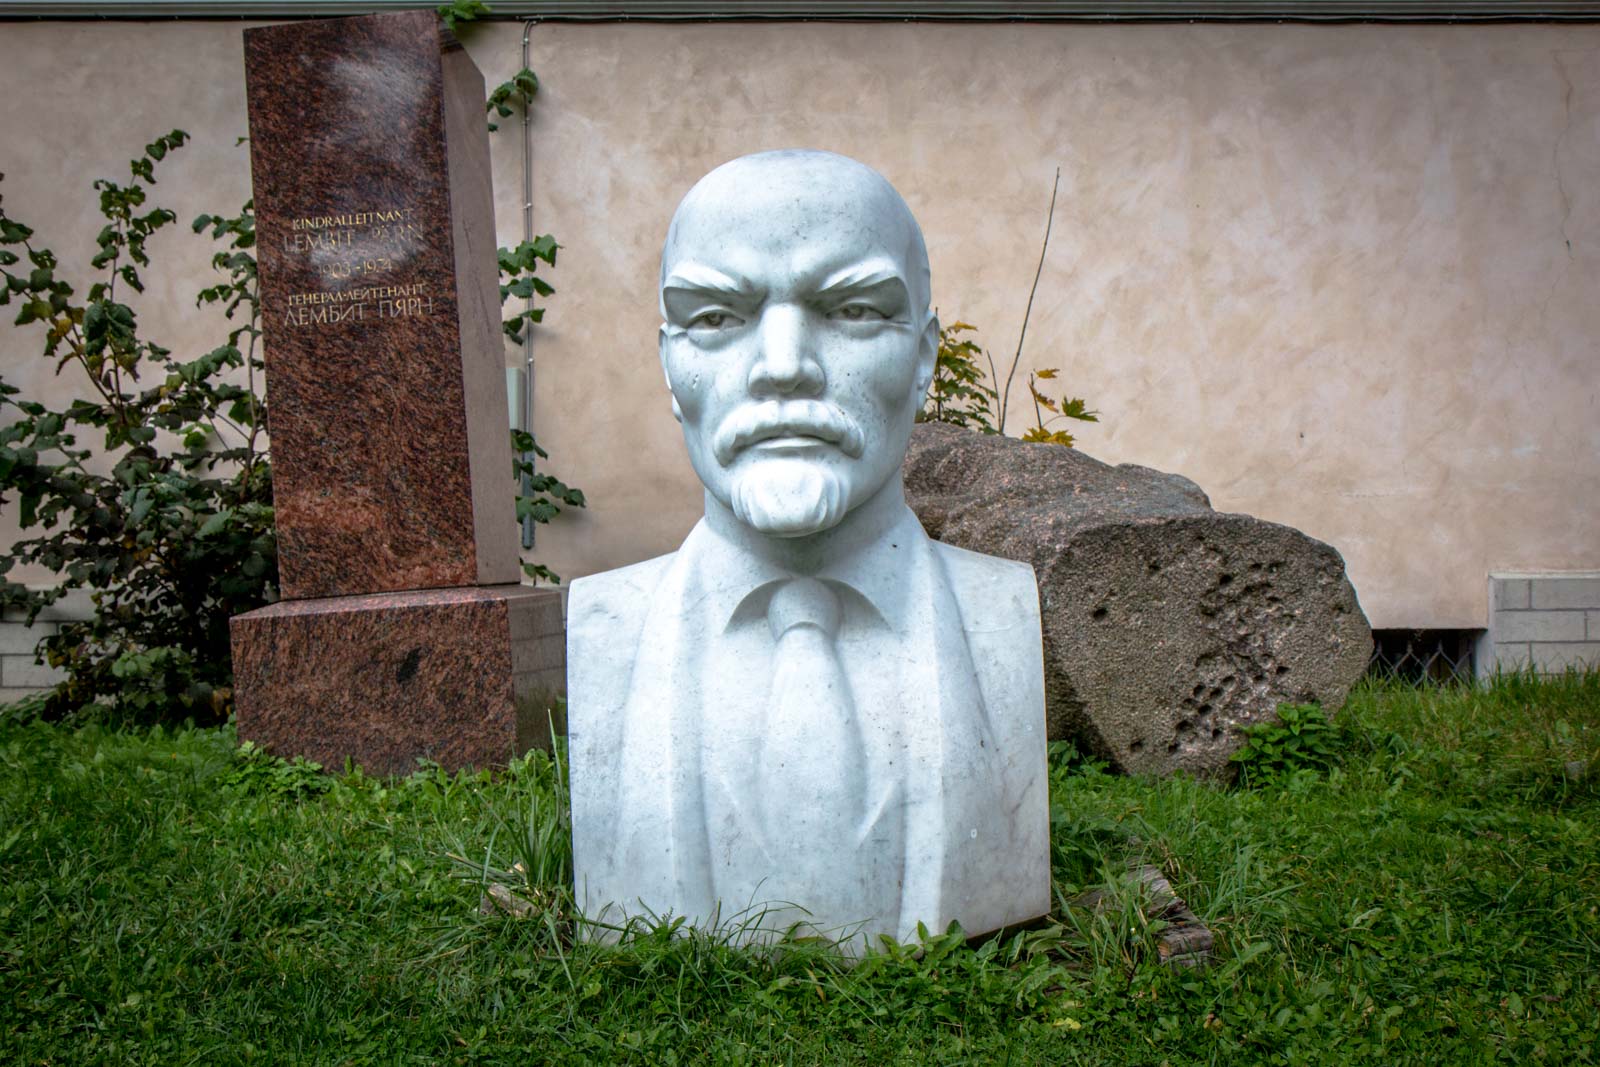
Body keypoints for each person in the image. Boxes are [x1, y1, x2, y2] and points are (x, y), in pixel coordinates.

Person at [567, 150, 1048, 952]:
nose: (784, 366)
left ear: (924, 356)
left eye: (853, 309)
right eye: (717, 317)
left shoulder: (1003, 614)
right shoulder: (604, 625)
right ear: (669, 364)